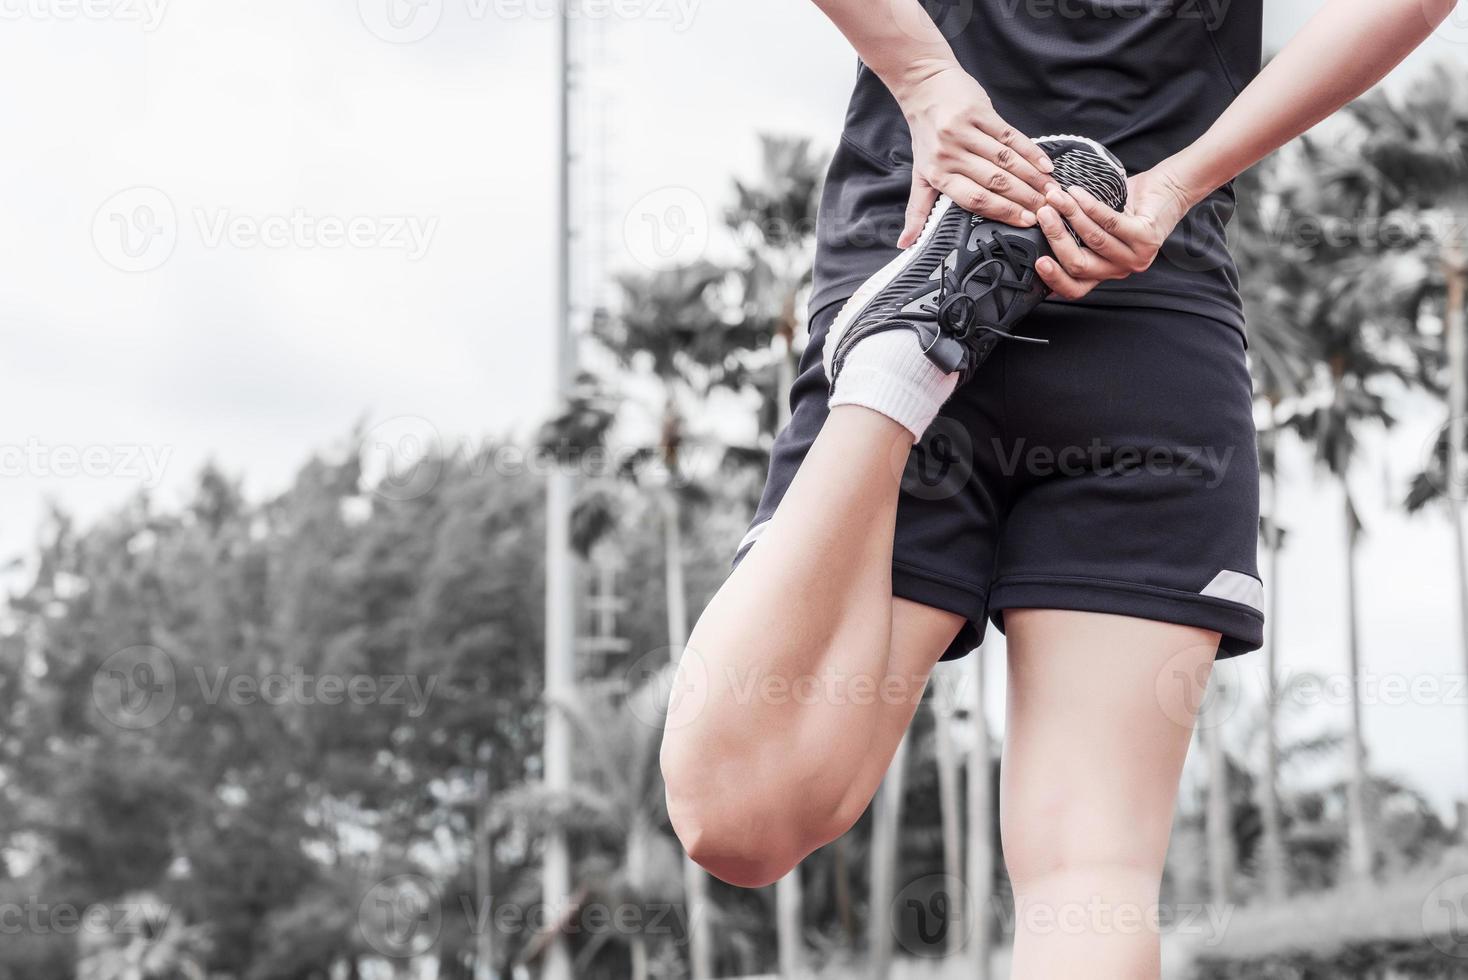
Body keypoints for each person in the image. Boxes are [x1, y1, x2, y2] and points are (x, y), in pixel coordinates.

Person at [659, 0, 1457, 974]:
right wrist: (1177, 183)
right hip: (1145, 297)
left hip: (925, 228)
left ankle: (896, 370)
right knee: (1091, 877)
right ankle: (906, 354)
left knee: (740, 815)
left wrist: (926, 79)